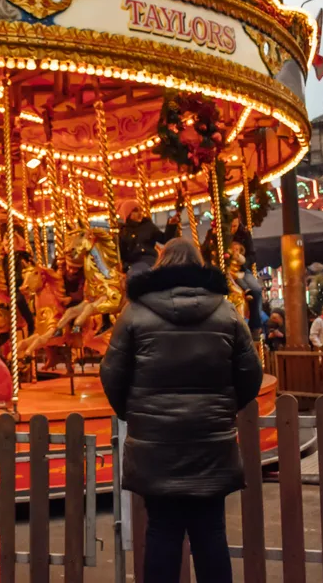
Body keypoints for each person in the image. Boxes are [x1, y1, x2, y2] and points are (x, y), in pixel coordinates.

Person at [100, 238, 262, 583]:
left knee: (161, 531)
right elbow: (251, 374)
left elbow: (112, 374)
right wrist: (225, 408)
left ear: (162, 264)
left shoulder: (136, 312)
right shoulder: (226, 310)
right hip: (211, 439)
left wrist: (136, 414)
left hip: (156, 443)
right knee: (211, 532)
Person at [117, 199, 178, 277]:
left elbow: (164, 239)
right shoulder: (123, 232)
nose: (140, 213)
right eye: (135, 211)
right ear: (128, 214)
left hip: (149, 259)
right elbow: (121, 253)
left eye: (141, 210)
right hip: (132, 264)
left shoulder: (148, 226)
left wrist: (171, 226)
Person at [228, 211, 264, 338]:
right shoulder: (216, 233)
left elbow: (252, 255)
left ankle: (255, 326)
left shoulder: (244, 234)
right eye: (231, 226)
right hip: (225, 269)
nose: (233, 229)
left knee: (257, 290)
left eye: (235, 226)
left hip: (241, 269)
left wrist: (243, 261)